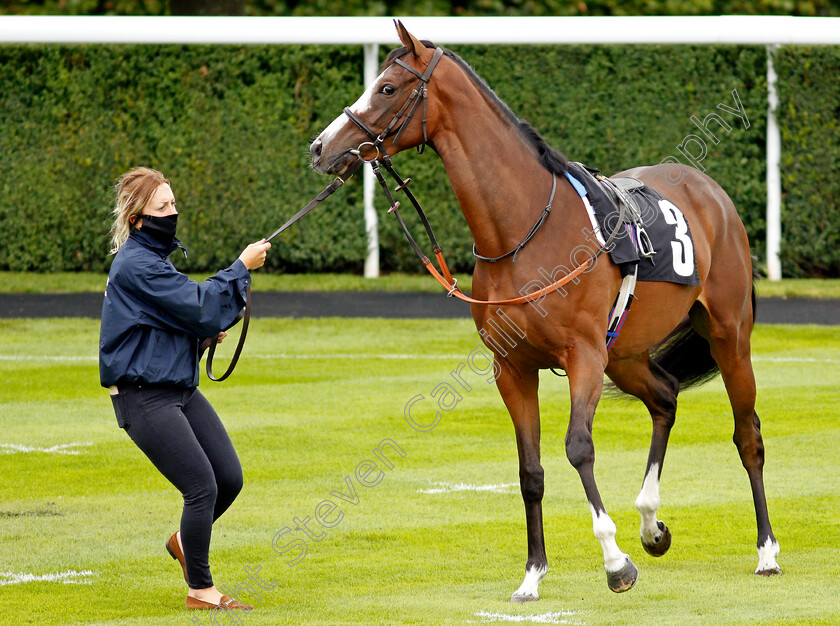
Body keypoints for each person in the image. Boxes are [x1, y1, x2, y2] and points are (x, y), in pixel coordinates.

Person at [99, 167, 270, 611]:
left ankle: (182, 540)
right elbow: (198, 306)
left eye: (173, 203)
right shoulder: (137, 264)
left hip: (176, 389)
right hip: (143, 396)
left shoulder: (154, 261)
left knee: (229, 479)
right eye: (162, 207)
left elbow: (176, 321)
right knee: (202, 488)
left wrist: (202, 336)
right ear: (138, 218)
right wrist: (240, 268)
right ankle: (201, 590)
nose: (172, 212)